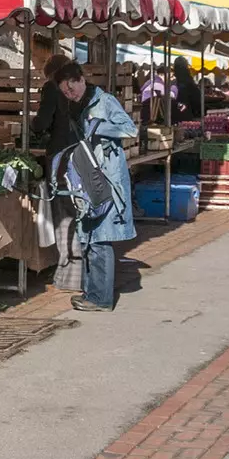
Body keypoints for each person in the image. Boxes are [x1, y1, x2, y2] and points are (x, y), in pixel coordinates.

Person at [40, 61, 138, 312]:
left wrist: (99, 127)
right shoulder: (78, 106)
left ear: (81, 79)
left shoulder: (104, 102)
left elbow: (131, 130)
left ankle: (100, 299)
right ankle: (92, 292)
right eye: (65, 92)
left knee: (101, 237)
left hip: (105, 178)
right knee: (89, 236)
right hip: (87, 177)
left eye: (71, 89)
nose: (69, 95)